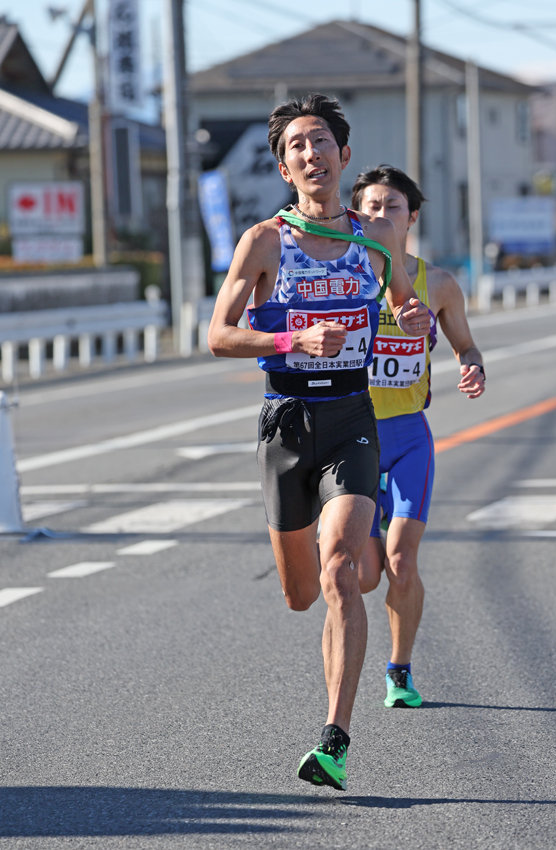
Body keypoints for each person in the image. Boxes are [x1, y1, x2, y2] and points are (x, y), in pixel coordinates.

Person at [208, 95, 432, 791]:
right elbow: (217, 335)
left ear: (343, 154)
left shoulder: (374, 239)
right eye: (297, 146)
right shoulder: (266, 241)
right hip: (285, 424)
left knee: (339, 569)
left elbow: (402, 302)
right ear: (284, 167)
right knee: (303, 593)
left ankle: (333, 739)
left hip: (352, 417)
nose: (311, 154)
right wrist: (289, 338)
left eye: (321, 141)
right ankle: (332, 584)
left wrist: (413, 314)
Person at [351, 165, 486, 708]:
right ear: (356, 217)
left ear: (412, 218)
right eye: (371, 207)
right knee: (362, 578)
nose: (381, 216)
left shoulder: (440, 284)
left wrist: (472, 367)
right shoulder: (345, 277)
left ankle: (399, 669)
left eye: (392, 207)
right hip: (352, 438)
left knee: (403, 563)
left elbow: (467, 348)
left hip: (408, 438)